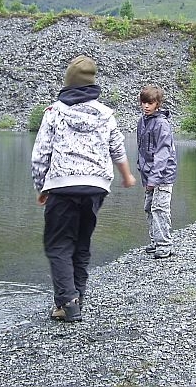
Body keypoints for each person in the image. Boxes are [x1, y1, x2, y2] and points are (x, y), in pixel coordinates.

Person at [31, 54, 136, 322]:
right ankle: (75, 299)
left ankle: (68, 304)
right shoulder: (106, 114)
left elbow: (41, 154)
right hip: (95, 187)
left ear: (68, 83)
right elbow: (117, 148)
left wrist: (41, 187)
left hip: (62, 186)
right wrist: (126, 175)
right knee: (81, 244)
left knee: (58, 245)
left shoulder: (54, 112)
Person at [136, 85, 177, 259]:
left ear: (158, 104)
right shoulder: (142, 121)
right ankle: (155, 241)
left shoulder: (162, 124)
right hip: (149, 175)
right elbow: (141, 149)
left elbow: (162, 153)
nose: (146, 106)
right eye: (144, 102)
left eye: (150, 103)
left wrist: (154, 178)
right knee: (148, 208)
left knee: (160, 209)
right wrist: (143, 173)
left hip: (163, 175)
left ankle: (165, 246)